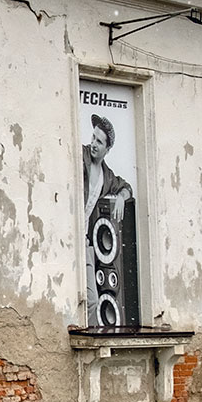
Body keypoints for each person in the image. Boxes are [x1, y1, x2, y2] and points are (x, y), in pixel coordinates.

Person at [84, 114, 141, 326]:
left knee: (92, 301)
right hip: (65, 240)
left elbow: (127, 187)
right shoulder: (80, 157)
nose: (93, 144)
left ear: (108, 148)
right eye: (93, 138)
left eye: (99, 141)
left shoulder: (107, 176)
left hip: (85, 242)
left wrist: (120, 197)